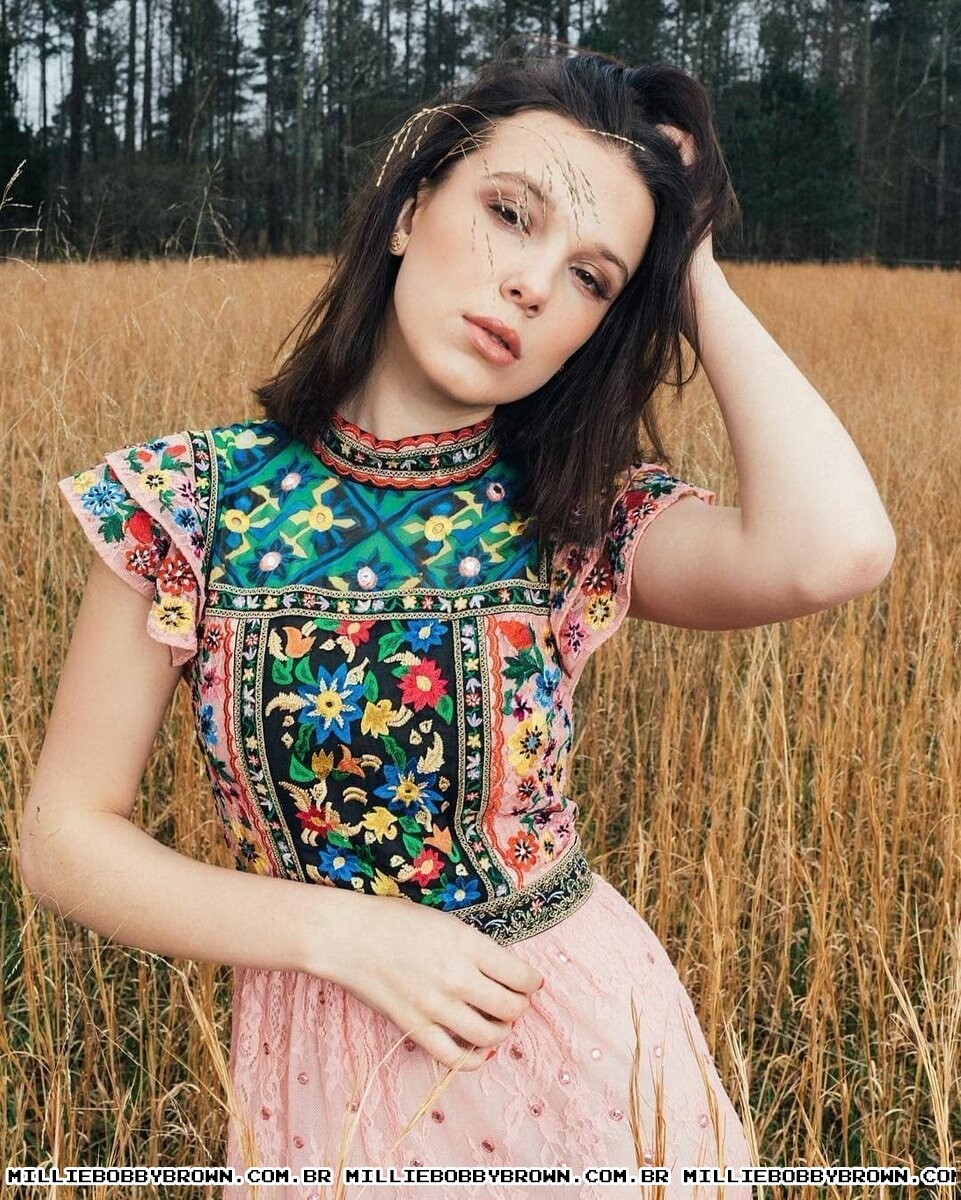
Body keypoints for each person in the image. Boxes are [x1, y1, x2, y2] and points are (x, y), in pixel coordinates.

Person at [21, 45, 896, 1200]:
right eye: (509, 213)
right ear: (409, 209)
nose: (532, 284)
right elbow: (64, 837)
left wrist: (690, 267)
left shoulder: (573, 516)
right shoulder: (189, 501)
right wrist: (340, 935)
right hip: (319, 1069)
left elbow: (835, 550)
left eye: (591, 278)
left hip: (573, 1048)